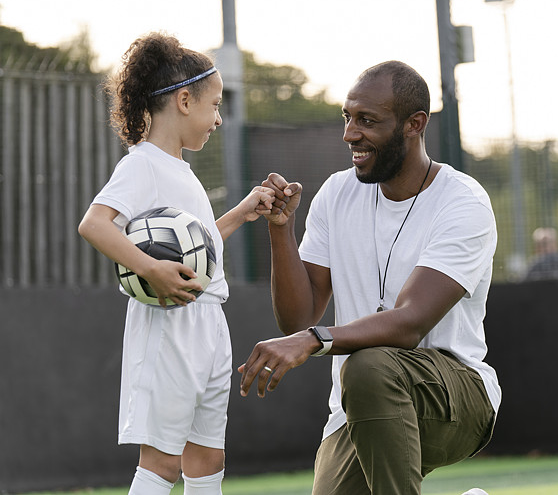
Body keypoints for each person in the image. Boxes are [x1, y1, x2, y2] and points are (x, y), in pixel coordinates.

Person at [238, 61, 500, 495]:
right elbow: (297, 315)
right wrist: (281, 230)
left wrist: (313, 340)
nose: (350, 134)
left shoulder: (462, 203)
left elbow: (410, 322)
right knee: (365, 373)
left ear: (414, 125)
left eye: (367, 121)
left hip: (455, 396)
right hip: (357, 402)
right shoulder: (336, 194)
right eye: (347, 117)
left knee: (369, 364)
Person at [78, 33, 275, 495]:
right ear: (184, 101)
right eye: (215, 105)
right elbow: (94, 223)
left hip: (208, 323)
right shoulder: (142, 165)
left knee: (207, 458)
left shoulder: (181, 170)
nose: (219, 119)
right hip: (169, 327)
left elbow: (198, 251)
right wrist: (149, 268)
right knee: (163, 461)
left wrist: (241, 212)